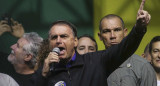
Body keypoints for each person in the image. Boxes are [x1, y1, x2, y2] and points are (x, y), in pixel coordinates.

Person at [34, 7, 149, 85]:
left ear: (75, 41)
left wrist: (139, 28)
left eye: (63, 36)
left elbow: (125, 47)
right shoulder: (45, 72)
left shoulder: (96, 61)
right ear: (49, 43)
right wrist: (43, 74)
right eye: (54, 37)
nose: (58, 41)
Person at [98, 0, 156, 85]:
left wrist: (139, 27)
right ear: (100, 36)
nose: (112, 35)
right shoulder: (94, 65)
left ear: (125, 32)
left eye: (117, 30)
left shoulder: (143, 66)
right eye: (106, 31)